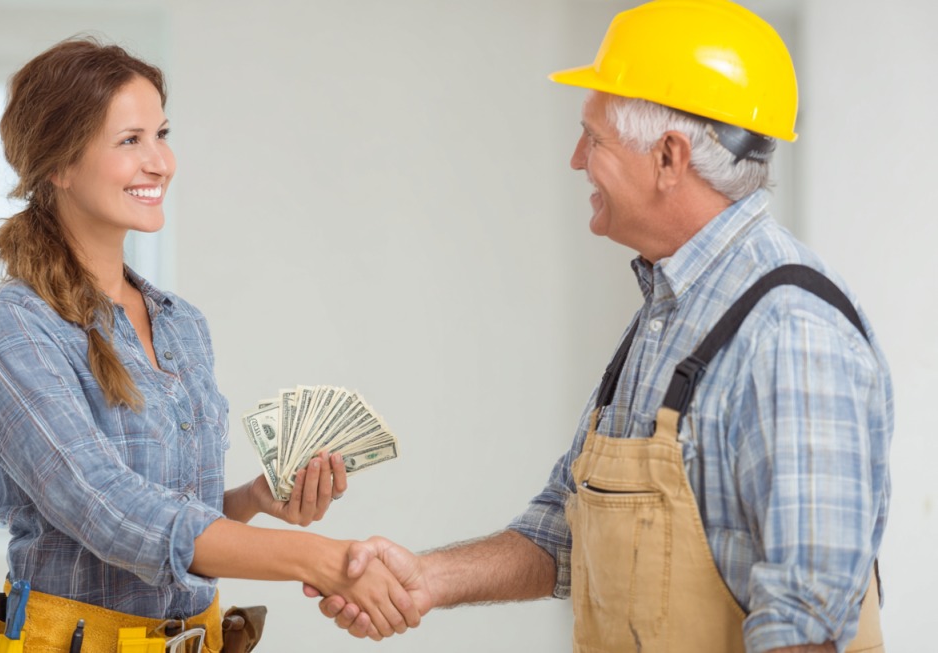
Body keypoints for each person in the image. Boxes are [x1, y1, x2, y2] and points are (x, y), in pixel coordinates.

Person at [308, 1, 893, 652]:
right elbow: (566, 526)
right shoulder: (669, 310)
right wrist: (424, 577)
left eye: (594, 138)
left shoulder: (789, 332)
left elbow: (805, 626)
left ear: (668, 157)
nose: (575, 158)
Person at [0, 37, 418, 652]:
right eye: (130, 140)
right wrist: (320, 560)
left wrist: (254, 501)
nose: (161, 162)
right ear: (60, 166)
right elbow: (112, 513)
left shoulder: (182, 326)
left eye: (162, 134)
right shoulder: (12, 330)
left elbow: (177, 518)